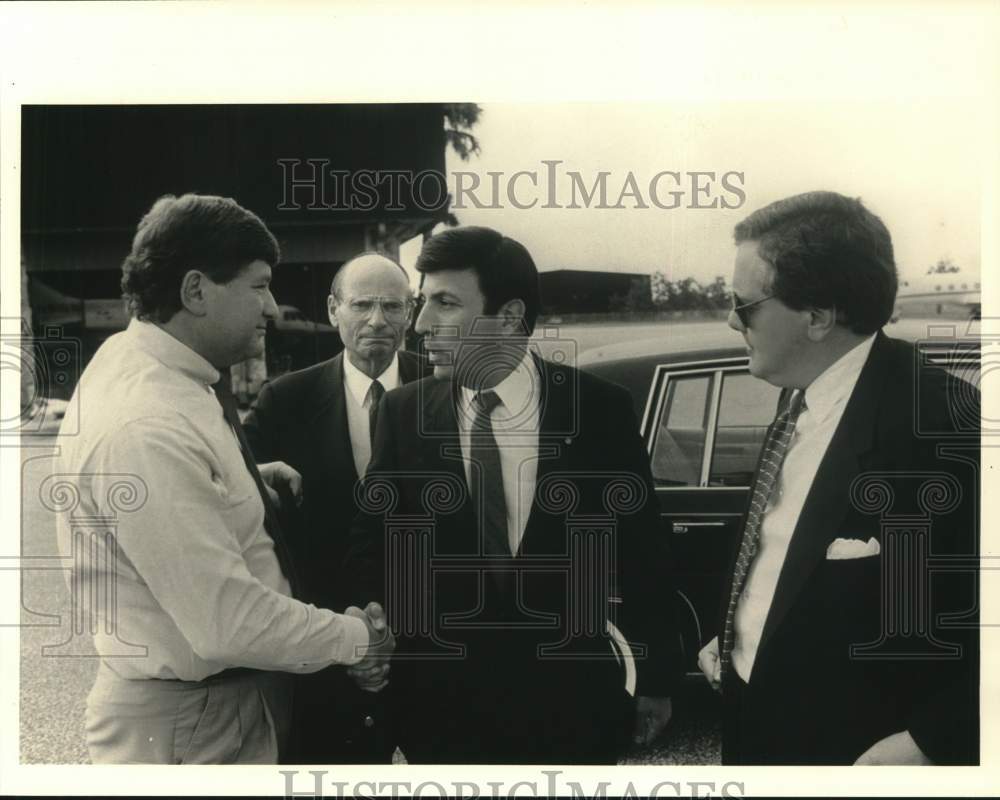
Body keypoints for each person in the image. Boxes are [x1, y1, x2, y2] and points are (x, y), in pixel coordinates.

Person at [54, 193, 392, 764]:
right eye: (259, 286)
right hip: (198, 723)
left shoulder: (150, 369)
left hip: (206, 710)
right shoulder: (148, 425)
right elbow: (226, 622)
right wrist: (357, 640)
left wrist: (241, 482)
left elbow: (158, 493)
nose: (271, 307)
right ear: (195, 290)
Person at [344, 226, 682, 764]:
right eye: (422, 302)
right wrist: (374, 637)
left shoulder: (598, 411)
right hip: (440, 714)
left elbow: (645, 551)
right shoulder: (403, 414)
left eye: (445, 304)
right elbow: (371, 544)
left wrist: (657, 677)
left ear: (508, 315)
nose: (421, 324)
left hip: (572, 710)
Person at [697, 190, 979, 765]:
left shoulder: (949, 427)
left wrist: (934, 741)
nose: (730, 319)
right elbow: (783, 552)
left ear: (819, 316)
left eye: (744, 304)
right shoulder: (798, 396)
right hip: (752, 722)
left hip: (857, 753)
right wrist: (738, 634)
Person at [242, 252, 429, 763]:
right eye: (362, 304)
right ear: (332, 310)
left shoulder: (446, 392)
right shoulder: (283, 401)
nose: (377, 320)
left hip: (430, 651)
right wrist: (351, 638)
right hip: (324, 653)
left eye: (393, 306)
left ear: (410, 314)